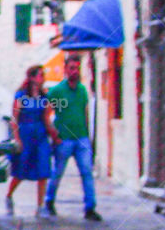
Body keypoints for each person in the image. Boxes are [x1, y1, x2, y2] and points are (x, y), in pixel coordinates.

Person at [44, 52, 102, 221]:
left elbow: (85, 113)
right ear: (65, 70)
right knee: (58, 172)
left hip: (82, 138)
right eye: (71, 68)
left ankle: (90, 207)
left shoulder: (83, 90)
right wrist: (54, 135)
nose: (74, 71)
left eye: (77, 68)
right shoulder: (56, 91)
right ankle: (49, 201)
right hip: (64, 140)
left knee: (86, 173)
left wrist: (88, 136)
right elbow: (46, 114)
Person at [5, 65, 60, 217]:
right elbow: (14, 118)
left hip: (40, 135)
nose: (43, 79)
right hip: (25, 135)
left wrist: (53, 134)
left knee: (43, 170)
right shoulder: (21, 96)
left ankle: (40, 206)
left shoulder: (44, 96)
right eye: (40, 75)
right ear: (32, 78)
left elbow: (47, 117)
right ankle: (9, 195)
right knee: (21, 171)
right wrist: (16, 138)